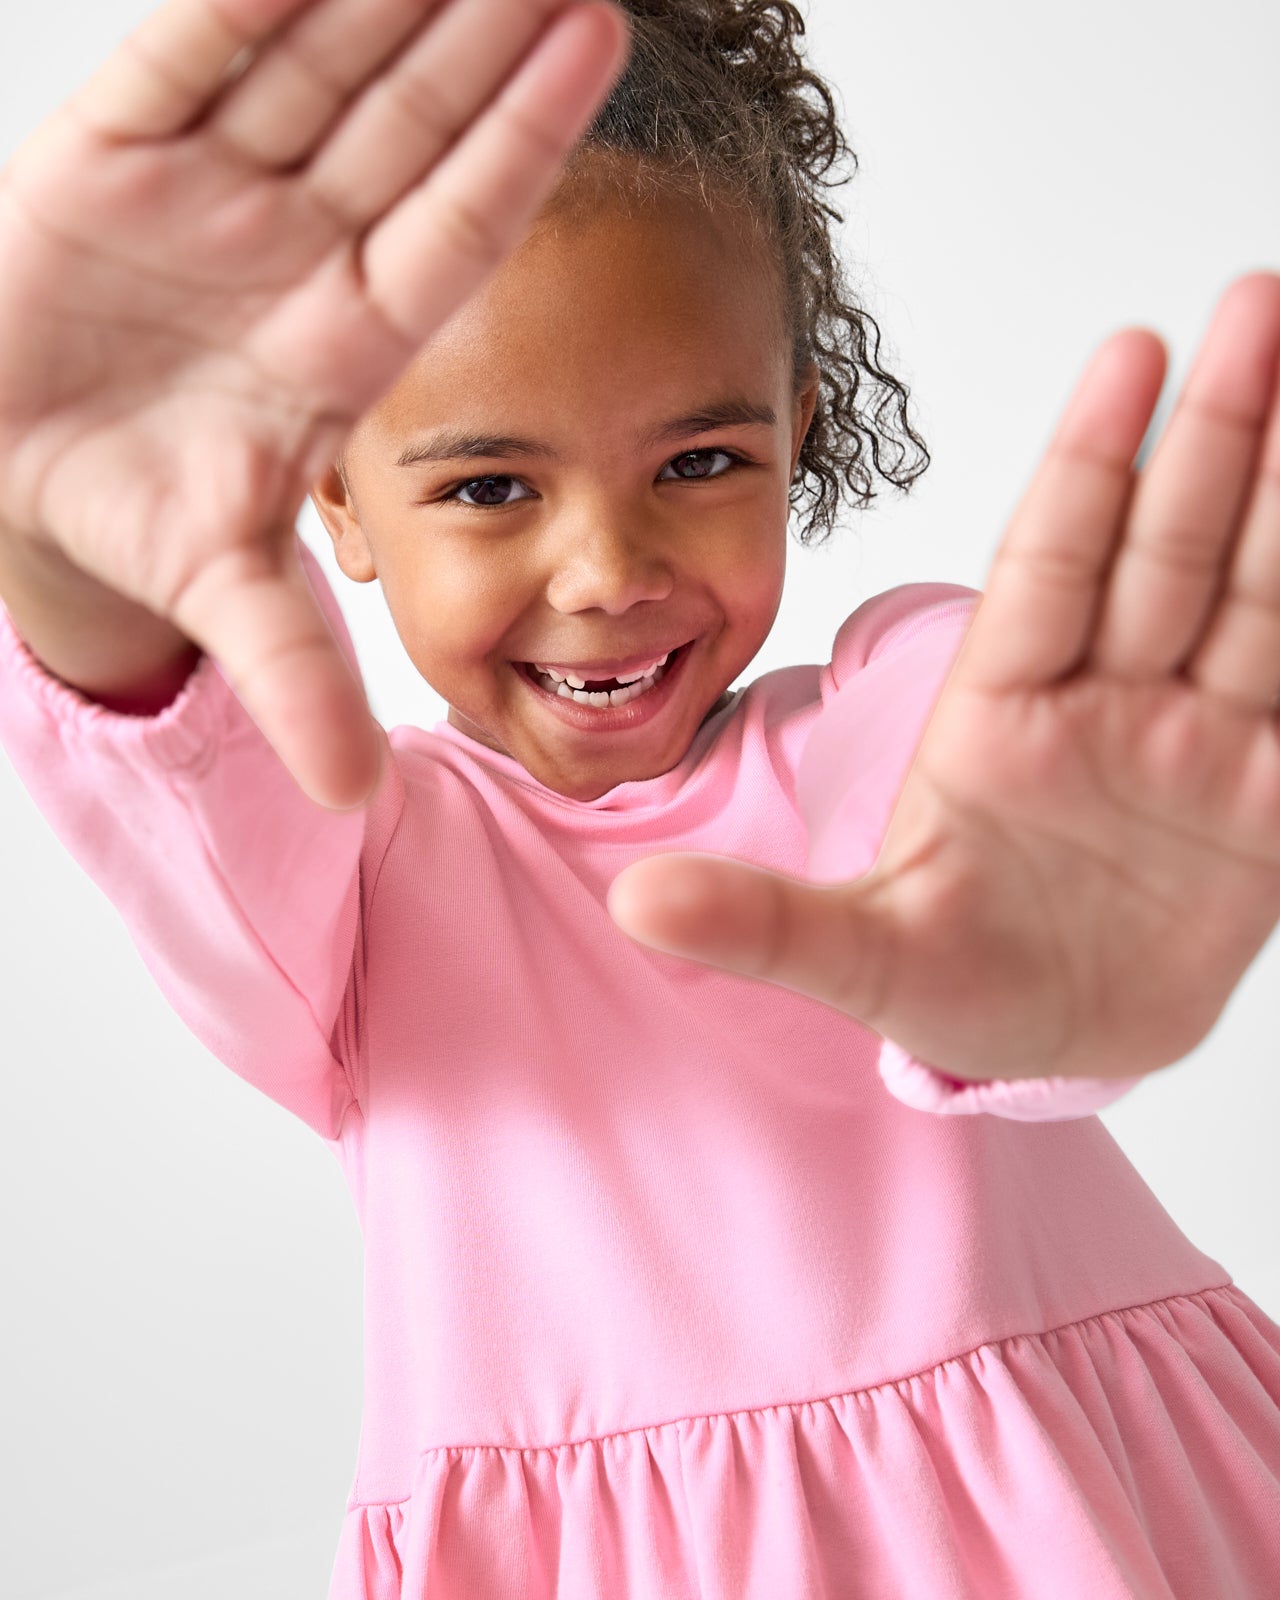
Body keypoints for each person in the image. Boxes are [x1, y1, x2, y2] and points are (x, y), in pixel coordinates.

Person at [1, 0, 1278, 1593]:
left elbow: (955, 775)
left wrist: (1028, 912)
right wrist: (59, 521)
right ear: (334, 489)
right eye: (489, 487)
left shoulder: (879, 699)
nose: (607, 573)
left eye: (698, 464)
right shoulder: (356, 878)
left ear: (798, 426)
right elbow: (184, 742)